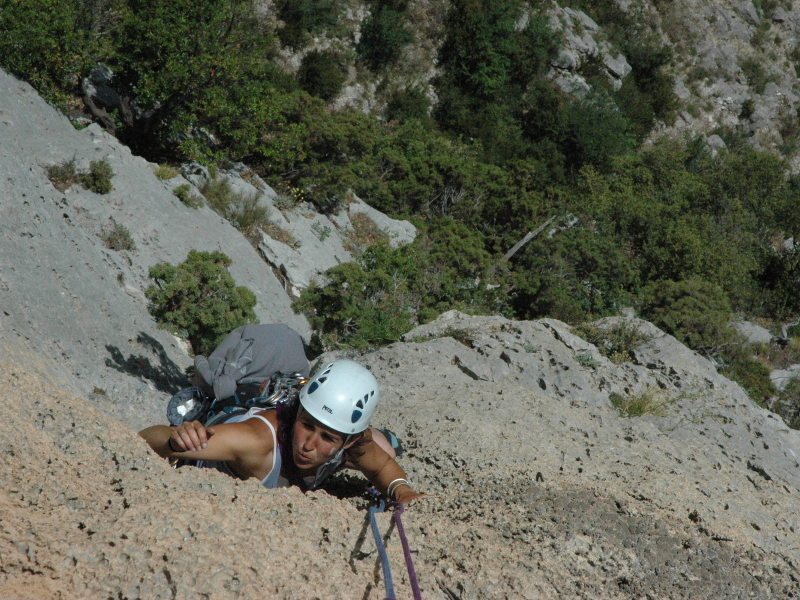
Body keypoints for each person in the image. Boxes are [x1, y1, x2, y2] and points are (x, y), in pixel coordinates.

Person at [139, 359, 424, 504]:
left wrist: (402, 490)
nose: (309, 445)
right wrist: (178, 437)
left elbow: (383, 466)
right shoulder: (254, 442)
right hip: (234, 431)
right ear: (297, 411)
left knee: (384, 447)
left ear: (348, 441)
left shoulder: (353, 443)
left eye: (328, 437)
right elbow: (147, 439)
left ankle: (380, 434)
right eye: (307, 425)